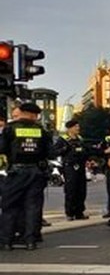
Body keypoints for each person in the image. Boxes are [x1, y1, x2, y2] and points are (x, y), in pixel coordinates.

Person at [0, 102, 54, 251]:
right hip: (36, 172)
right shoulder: (41, 130)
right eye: (36, 115)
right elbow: (50, 153)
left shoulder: (10, 129)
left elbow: (2, 148)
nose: (36, 118)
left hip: (16, 172)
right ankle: (30, 241)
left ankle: (7, 241)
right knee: (32, 207)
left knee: (10, 206)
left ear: (22, 112)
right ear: (32, 114)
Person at [53, 119, 90, 220]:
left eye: (78, 126)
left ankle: (79, 212)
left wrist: (88, 158)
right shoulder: (63, 139)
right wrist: (65, 149)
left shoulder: (80, 139)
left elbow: (86, 150)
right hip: (70, 166)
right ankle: (70, 213)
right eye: (76, 127)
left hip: (81, 166)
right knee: (71, 190)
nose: (78, 128)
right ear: (70, 128)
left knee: (81, 190)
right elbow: (54, 152)